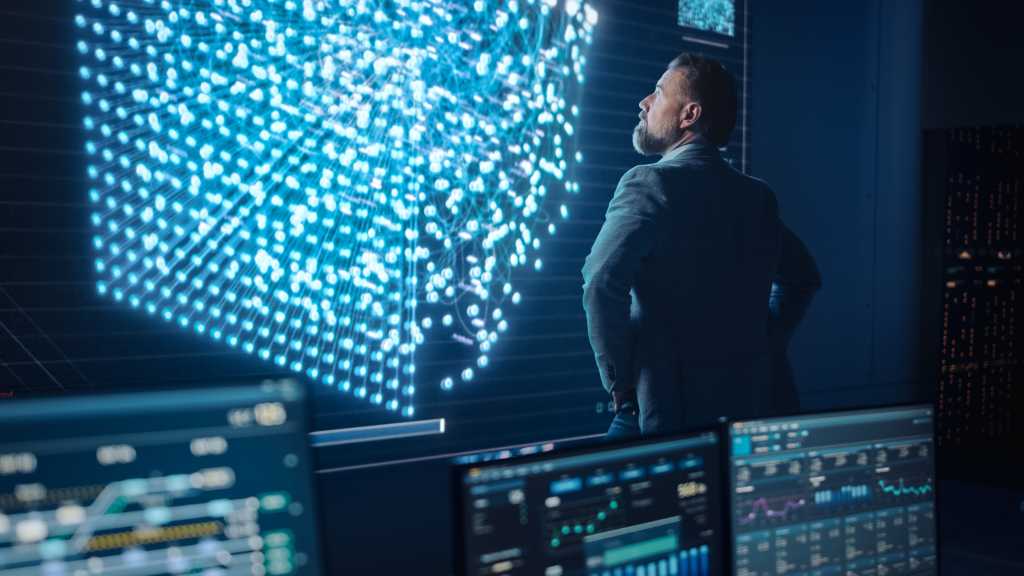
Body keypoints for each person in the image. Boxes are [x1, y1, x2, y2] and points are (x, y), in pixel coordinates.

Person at [582, 53, 794, 438]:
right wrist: (762, 343)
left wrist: (621, 383)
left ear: (689, 115)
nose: (644, 102)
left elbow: (601, 284)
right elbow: (802, 279)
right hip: (748, 410)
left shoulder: (650, 183)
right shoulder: (759, 198)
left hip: (663, 412)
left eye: (659, 93)